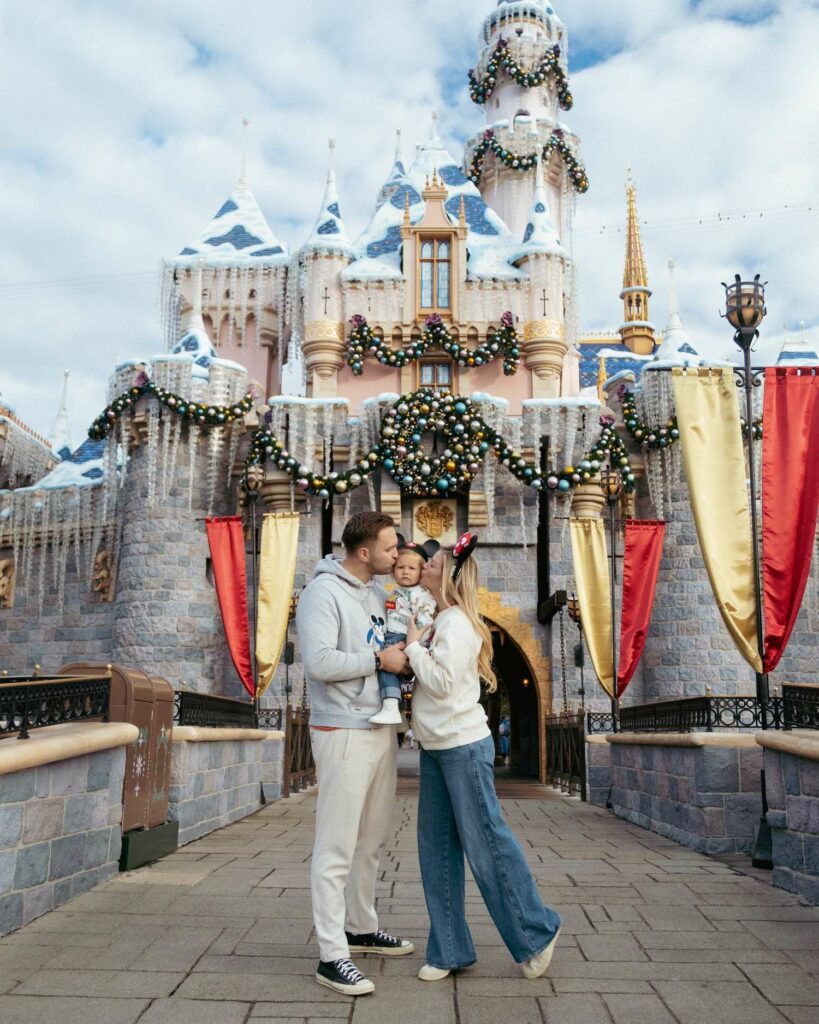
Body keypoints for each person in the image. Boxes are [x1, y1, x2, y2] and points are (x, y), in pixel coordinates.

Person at [405, 532, 562, 982]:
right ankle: (448, 949)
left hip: (461, 747)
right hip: (437, 747)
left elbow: (441, 682)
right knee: (436, 850)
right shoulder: (441, 619)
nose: (426, 564)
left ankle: (536, 931)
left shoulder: (456, 623)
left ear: (452, 573)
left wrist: (414, 648)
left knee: (486, 843)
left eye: (433, 562)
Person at [296, 511, 415, 997]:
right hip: (341, 729)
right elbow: (320, 662)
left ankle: (361, 926)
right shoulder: (321, 593)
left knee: (370, 839)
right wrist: (377, 660)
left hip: (378, 729)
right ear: (364, 552)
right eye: (390, 548)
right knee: (336, 846)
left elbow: (384, 645)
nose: (397, 555)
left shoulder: (372, 592)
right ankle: (331, 956)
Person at [370, 534, 438, 725]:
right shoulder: (395, 592)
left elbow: (424, 621)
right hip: (390, 634)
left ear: (421, 571)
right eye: (401, 567)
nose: (406, 572)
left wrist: (413, 643)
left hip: (402, 637)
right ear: (393, 571)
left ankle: (391, 705)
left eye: (412, 568)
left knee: (386, 667)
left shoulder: (421, 595)